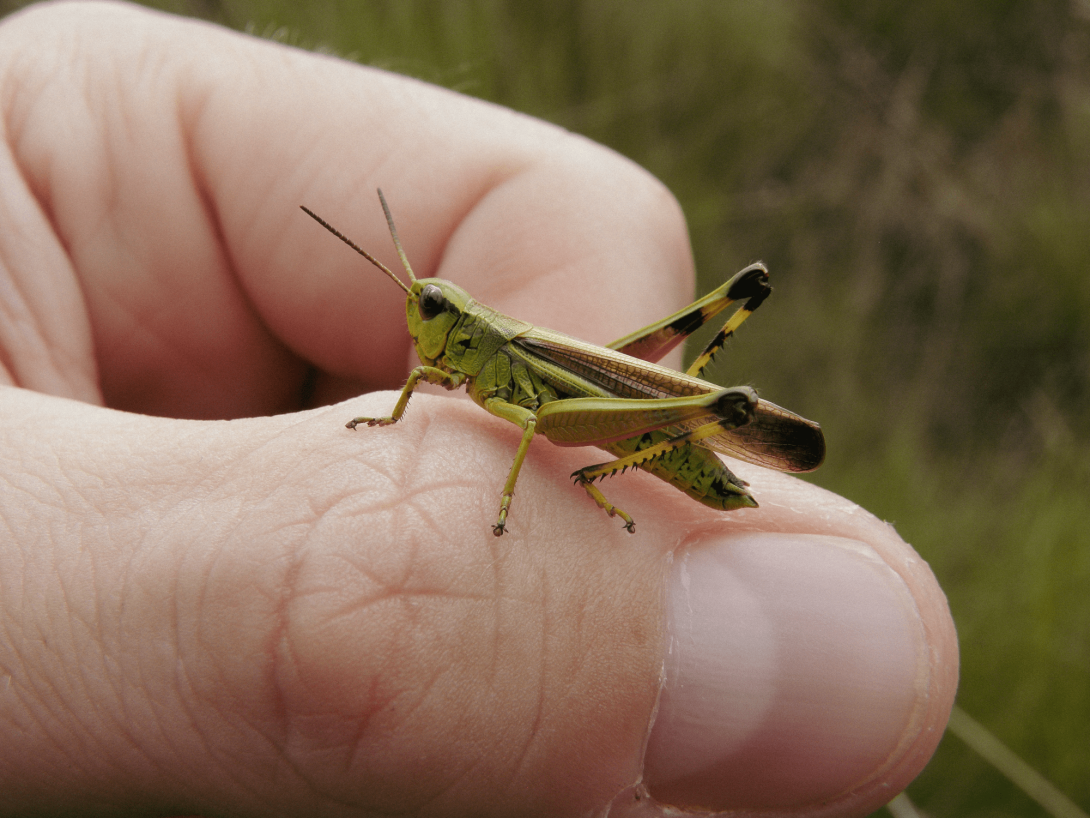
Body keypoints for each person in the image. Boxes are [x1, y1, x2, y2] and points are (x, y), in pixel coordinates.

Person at [0, 3, 957, 816]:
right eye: (423, 311)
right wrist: (391, 414)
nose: (423, 328)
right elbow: (432, 388)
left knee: (553, 421)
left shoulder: (497, 365)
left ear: (457, 320)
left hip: (624, 421)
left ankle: (687, 426)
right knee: (546, 420)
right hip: (594, 407)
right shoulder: (452, 365)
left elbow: (531, 419)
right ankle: (665, 433)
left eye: (431, 311)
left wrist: (564, 486)